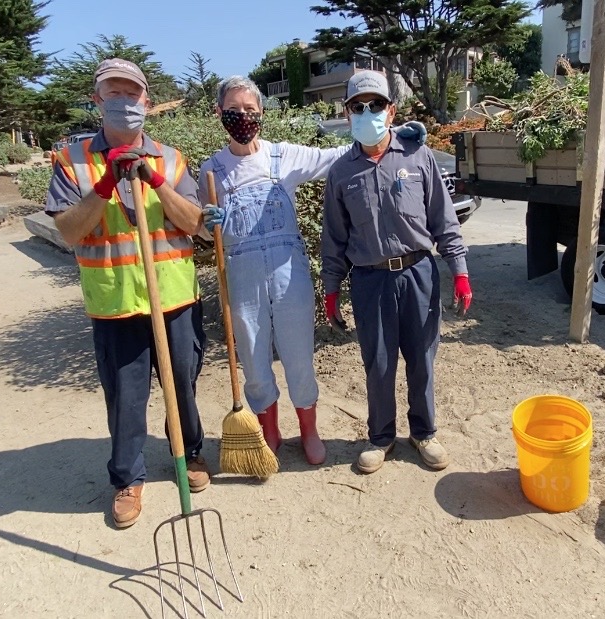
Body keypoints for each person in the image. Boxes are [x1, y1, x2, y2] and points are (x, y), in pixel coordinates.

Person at [198, 75, 425, 466]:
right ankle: (268, 431)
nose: (242, 117)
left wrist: (393, 133)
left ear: (262, 114)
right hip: (241, 275)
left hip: (289, 276)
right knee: (252, 359)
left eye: (250, 110)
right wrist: (206, 221)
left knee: (299, 356)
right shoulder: (211, 170)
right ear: (219, 113)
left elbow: (337, 155)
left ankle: (309, 431)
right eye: (234, 110)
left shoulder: (281, 155)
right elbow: (201, 230)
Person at [45, 58, 210, 529]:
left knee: (183, 383)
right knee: (125, 396)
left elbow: (195, 224)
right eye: (112, 93)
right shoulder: (72, 160)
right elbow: (71, 233)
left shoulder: (172, 158)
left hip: (174, 297)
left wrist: (154, 179)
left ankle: (189, 452)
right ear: (96, 100)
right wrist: (105, 184)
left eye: (131, 94)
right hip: (116, 301)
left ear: (147, 102)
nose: (123, 102)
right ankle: (127, 479)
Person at [320, 70, 473, 475]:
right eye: (358, 106)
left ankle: (423, 432)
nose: (366, 112)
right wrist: (331, 290)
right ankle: (381, 436)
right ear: (347, 112)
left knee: (422, 358)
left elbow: (444, 220)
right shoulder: (341, 173)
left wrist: (459, 270)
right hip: (370, 280)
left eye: (375, 105)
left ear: (391, 110)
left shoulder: (416, 157)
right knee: (380, 362)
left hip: (418, 272)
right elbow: (334, 239)